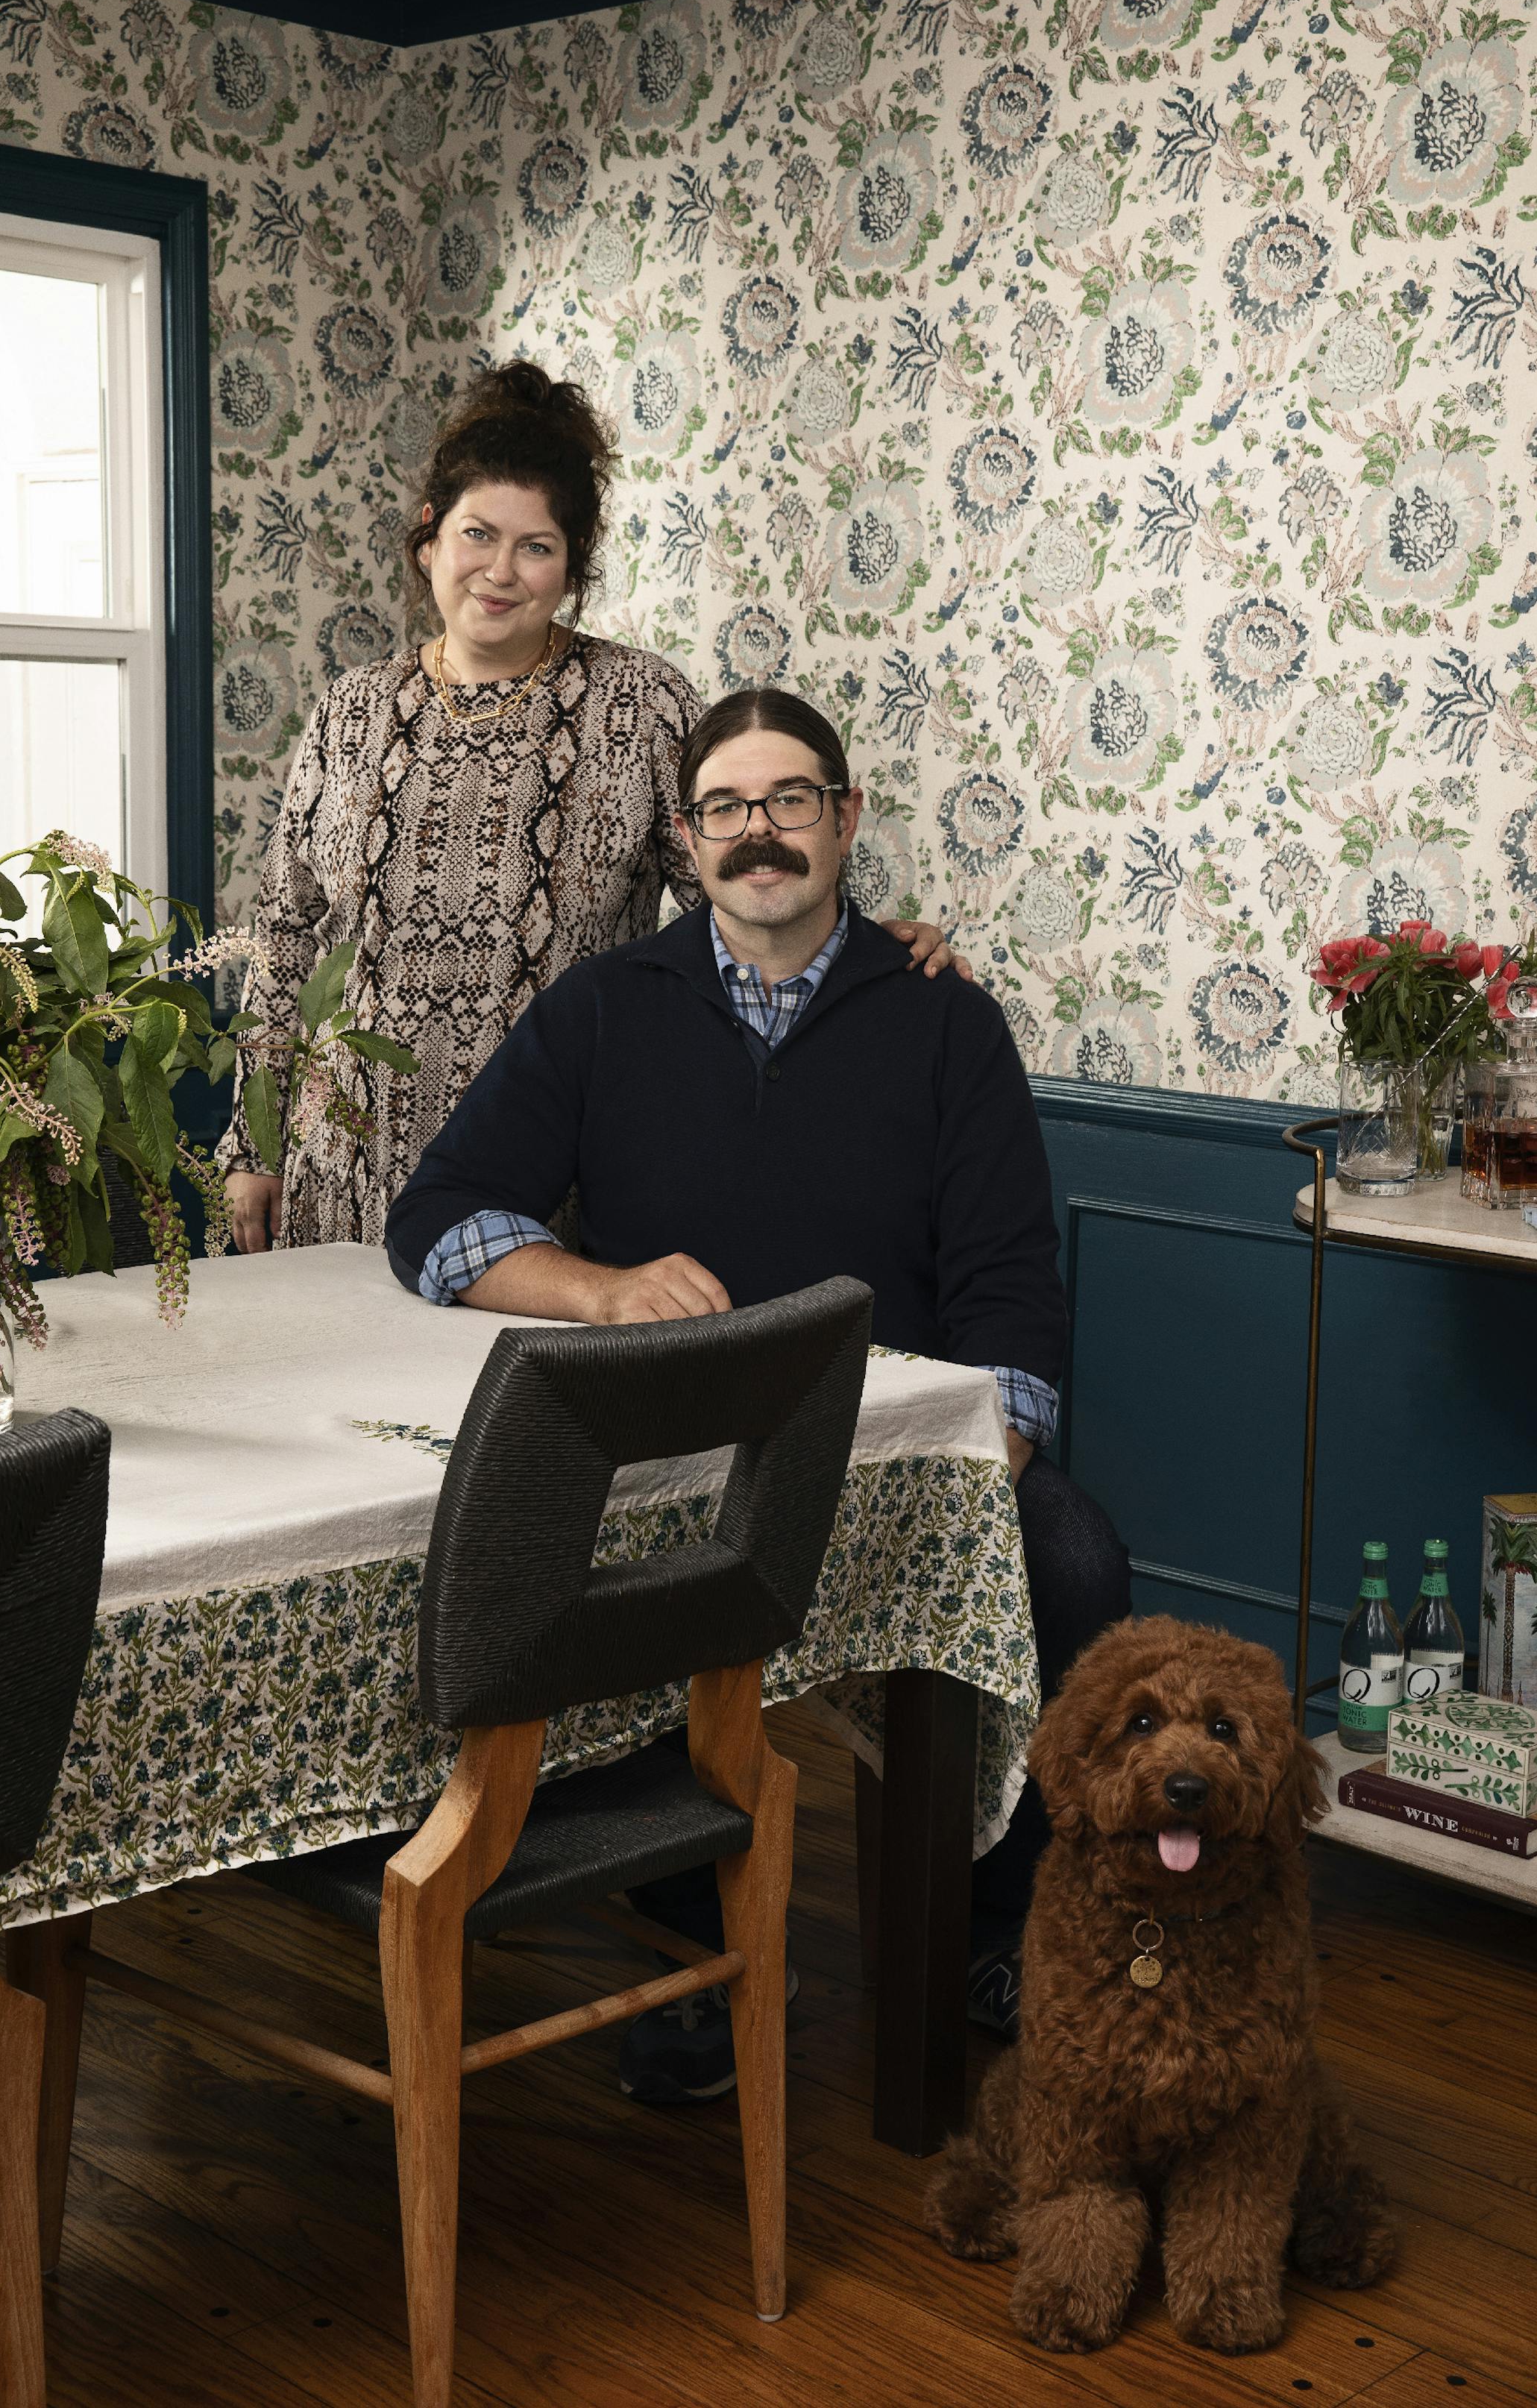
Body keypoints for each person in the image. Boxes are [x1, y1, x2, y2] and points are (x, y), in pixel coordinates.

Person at [385, 688, 1131, 2102]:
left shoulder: (947, 1022)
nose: (759, 833)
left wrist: (986, 1467)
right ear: (688, 840)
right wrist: (597, 1289)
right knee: (584, 1579)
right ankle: (702, 1945)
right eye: (725, 807)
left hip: (893, 1459)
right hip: (668, 1463)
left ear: (844, 822)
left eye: (790, 800)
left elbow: (1012, 1294)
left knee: (1079, 1559)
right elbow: (439, 1218)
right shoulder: (605, 1008)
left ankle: (1001, 1927)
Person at [219, 361, 957, 1253]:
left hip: (556, 1163)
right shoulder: (350, 711)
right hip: (343, 1161)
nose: (500, 571)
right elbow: (286, 933)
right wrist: (253, 1143)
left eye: (536, 547)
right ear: (429, 540)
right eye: (477, 535)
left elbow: (744, 894)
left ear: (571, 568)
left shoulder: (641, 704)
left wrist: (871, 952)